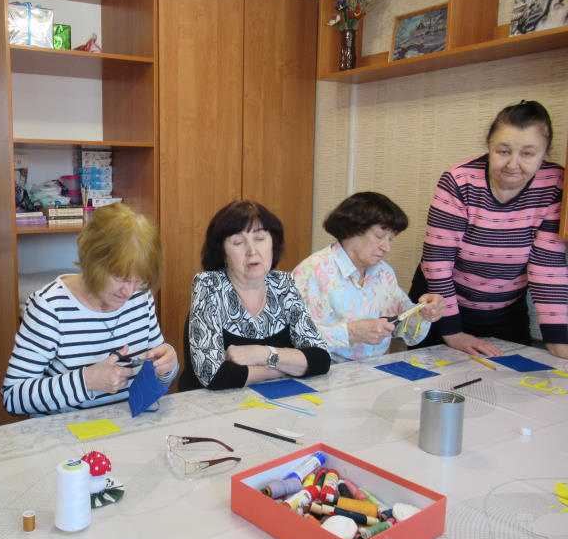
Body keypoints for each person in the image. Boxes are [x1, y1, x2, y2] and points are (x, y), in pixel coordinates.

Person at [409, 100, 568, 359]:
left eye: (528, 154)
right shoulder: (459, 179)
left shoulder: (556, 184)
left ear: (545, 152)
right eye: (503, 151)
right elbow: (437, 262)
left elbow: (547, 265)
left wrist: (558, 341)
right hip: (440, 306)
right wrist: (453, 333)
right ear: (489, 146)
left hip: (506, 312)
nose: (513, 164)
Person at [2, 203, 178, 416]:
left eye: (138, 280)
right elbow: (13, 398)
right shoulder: (50, 308)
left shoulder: (141, 296)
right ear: (93, 262)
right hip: (71, 432)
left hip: (129, 425)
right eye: (119, 278)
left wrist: (168, 367)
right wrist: (86, 381)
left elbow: (158, 376)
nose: (128, 292)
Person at [182, 200, 330, 391]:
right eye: (238, 242)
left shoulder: (282, 285)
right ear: (223, 253)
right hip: (215, 405)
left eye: (260, 239)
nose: (252, 251)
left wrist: (262, 354)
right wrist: (289, 367)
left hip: (275, 399)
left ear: (273, 245)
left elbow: (320, 359)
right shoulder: (209, 285)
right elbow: (216, 376)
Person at [292, 192, 445, 363]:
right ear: (352, 229)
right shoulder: (312, 272)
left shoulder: (383, 272)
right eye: (379, 237)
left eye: (390, 239)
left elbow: (405, 329)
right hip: (327, 370)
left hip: (374, 369)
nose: (387, 248)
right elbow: (294, 338)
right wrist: (351, 333)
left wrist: (425, 312)